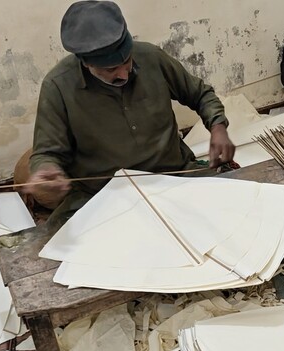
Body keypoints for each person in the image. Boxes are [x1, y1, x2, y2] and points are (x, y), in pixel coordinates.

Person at [24, 0, 235, 223]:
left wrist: (218, 127)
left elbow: (200, 94)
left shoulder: (151, 57)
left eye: (127, 61)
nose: (124, 74)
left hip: (173, 174)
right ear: (86, 63)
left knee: (233, 209)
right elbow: (47, 153)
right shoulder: (58, 86)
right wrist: (47, 171)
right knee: (60, 239)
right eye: (111, 69)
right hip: (101, 195)